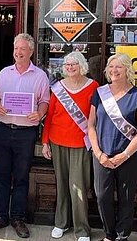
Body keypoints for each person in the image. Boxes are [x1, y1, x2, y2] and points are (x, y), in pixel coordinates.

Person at [0, 33, 50, 239]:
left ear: (31, 51)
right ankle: (0, 216)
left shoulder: (40, 76)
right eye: (16, 48)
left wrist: (39, 113)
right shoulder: (5, 73)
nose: (18, 52)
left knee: (21, 177)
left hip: (25, 133)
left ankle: (18, 218)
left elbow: (45, 101)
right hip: (3, 130)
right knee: (2, 176)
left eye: (23, 49)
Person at [87, 53, 137, 241]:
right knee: (102, 196)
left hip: (129, 155)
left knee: (126, 196)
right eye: (111, 66)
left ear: (127, 70)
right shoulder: (99, 93)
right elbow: (91, 125)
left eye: (119, 67)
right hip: (102, 155)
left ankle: (122, 236)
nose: (114, 70)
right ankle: (109, 234)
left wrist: (124, 155)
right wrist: (98, 154)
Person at [41, 52, 99, 240]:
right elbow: (49, 116)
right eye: (67, 64)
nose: (70, 67)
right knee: (62, 184)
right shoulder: (58, 88)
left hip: (81, 144)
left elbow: (96, 117)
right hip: (57, 141)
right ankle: (61, 223)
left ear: (82, 65)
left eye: (74, 64)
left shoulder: (93, 86)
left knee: (79, 187)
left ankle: (81, 229)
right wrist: (45, 142)